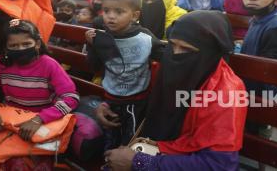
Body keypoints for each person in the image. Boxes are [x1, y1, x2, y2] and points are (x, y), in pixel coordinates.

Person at [101, 11, 247, 171]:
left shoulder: (225, 92)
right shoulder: (164, 69)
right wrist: (108, 105)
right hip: (149, 148)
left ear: (211, 52)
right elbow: (134, 92)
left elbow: (220, 165)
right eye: (171, 45)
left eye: (186, 49)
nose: (175, 55)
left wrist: (139, 162)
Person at [85, 0, 164, 150]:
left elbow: (164, 56)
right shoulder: (101, 37)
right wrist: (91, 46)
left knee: (130, 139)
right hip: (110, 98)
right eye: (106, 11)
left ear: (134, 15)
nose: (111, 17)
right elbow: (95, 68)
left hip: (137, 100)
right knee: (110, 135)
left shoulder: (145, 37)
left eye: (119, 12)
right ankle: (109, 159)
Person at [0, 19, 79, 137]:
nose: (21, 49)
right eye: (13, 45)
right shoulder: (1, 63)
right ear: (6, 48)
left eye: (26, 44)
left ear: (37, 44)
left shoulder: (49, 65)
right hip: (9, 116)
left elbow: (71, 98)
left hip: (43, 119)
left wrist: (40, 119)